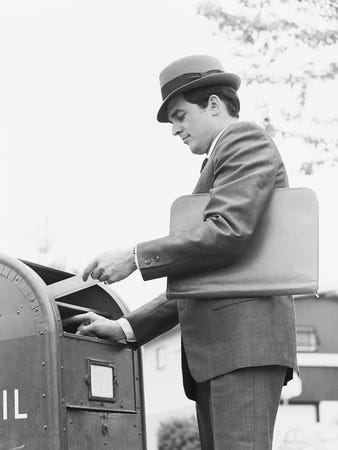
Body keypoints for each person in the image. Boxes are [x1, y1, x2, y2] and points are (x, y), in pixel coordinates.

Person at [66, 55, 298, 450]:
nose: (174, 129)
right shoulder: (220, 161)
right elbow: (204, 276)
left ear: (212, 104)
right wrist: (127, 327)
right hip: (224, 354)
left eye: (179, 115)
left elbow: (227, 232)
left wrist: (136, 256)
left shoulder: (244, 140)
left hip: (243, 348)